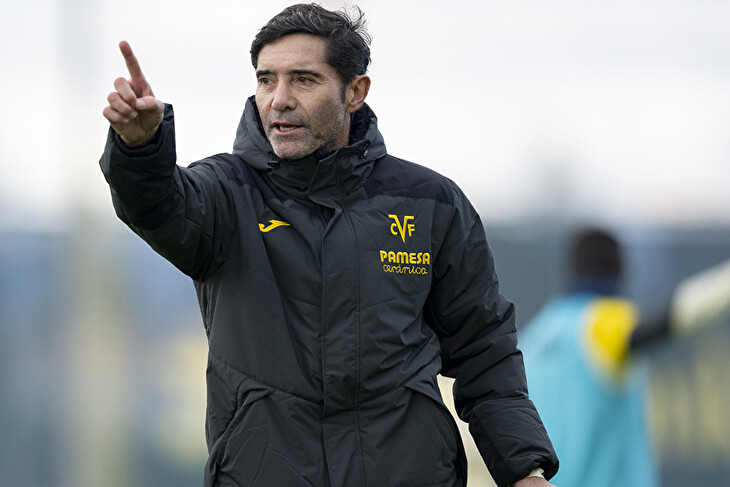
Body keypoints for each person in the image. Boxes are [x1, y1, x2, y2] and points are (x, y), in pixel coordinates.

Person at [99, 4, 558, 486]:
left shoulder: (431, 204)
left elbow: (485, 351)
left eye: (303, 80)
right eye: (266, 80)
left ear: (355, 92)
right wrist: (141, 149)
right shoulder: (225, 194)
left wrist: (524, 470)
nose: (279, 99)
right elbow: (158, 208)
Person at [518, 227, 730, 487]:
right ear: (621, 271)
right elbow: (676, 317)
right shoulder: (605, 321)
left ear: (570, 269)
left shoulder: (534, 336)